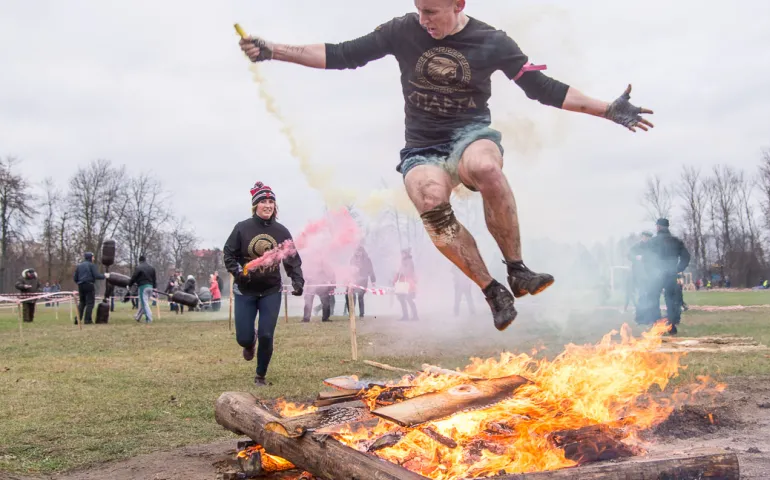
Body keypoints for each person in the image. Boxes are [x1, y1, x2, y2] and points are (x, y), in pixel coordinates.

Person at [238, 1, 653, 331]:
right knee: (430, 198)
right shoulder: (403, 30)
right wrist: (274, 50)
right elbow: (341, 54)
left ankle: (517, 270)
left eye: (432, 12)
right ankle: (492, 291)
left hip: (469, 136)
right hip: (423, 148)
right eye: (419, 10)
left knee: (487, 168)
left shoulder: (492, 41)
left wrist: (607, 109)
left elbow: (542, 89)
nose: (424, 20)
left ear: (458, 4)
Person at [223, 181, 305, 386]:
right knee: (243, 338)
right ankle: (250, 341)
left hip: (271, 290)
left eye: (271, 201)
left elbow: (291, 258)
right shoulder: (242, 228)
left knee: (267, 335)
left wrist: (297, 280)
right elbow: (228, 254)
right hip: (245, 291)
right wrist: (237, 273)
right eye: (263, 201)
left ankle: (260, 375)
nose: (268, 205)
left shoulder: (281, 231)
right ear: (255, 205)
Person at [645, 218, 691, 334]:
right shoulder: (676, 241)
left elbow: (646, 259)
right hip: (671, 273)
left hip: (656, 274)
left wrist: (650, 271)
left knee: (653, 298)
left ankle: (656, 324)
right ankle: (671, 324)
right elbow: (686, 256)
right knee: (671, 299)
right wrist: (678, 269)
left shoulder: (652, 242)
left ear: (658, 227)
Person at [73, 252, 105, 325]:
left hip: (80, 285)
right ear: (90, 257)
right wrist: (104, 276)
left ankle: (78, 319)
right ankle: (87, 320)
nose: (93, 258)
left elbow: (75, 278)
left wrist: (79, 282)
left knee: (82, 302)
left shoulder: (79, 266)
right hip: (89, 284)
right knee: (90, 303)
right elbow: (96, 275)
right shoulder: (91, 265)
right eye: (93, 257)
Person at [624, 231, 652, 313]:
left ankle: (646, 308)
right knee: (640, 290)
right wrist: (635, 257)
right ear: (642, 237)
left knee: (647, 290)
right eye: (644, 236)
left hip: (648, 271)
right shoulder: (636, 246)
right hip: (638, 271)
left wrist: (644, 258)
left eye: (647, 237)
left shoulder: (651, 246)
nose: (646, 238)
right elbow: (629, 255)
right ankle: (639, 308)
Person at [348, 246, 376, 318]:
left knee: (360, 296)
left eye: (360, 251)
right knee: (353, 296)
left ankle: (361, 314)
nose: (358, 253)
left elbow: (371, 270)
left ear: (363, 252)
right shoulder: (352, 259)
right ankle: (352, 313)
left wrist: (373, 280)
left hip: (363, 280)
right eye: (357, 251)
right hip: (354, 280)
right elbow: (349, 270)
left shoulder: (367, 260)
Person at [129, 255, 157, 324]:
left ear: (140, 261)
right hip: (150, 287)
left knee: (144, 304)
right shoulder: (152, 268)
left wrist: (129, 284)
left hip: (143, 287)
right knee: (144, 303)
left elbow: (134, 277)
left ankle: (149, 319)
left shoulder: (139, 267)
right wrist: (154, 287)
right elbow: (154, 279)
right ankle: (137, 317)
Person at [393, 249, 419, 321]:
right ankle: (406, 316)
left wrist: (400, 273)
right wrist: (396, 278)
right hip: (403, 283)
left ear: (406, 254)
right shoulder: (403, 261)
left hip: (408, 283)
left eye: (403, 253)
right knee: (402, 299)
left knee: (409, 299)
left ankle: (414, 316)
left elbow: (408, 272)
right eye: (402, 253)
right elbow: (400, 272)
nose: (402, 255)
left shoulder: (409, 261)